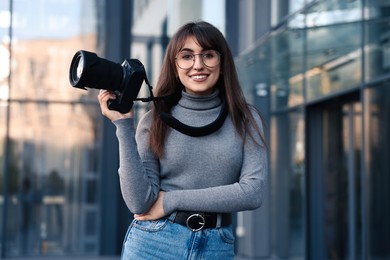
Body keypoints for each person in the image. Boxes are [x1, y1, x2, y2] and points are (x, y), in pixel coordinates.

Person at [98, 20, 268, 260]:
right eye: (186, 56)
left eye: (208, 55)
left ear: (222, 62)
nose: (198, 65)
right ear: (175, 65)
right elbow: (139, 202)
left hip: (216, 247)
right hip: (153, 244)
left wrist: (171, 199)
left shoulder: (246, 119)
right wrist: (123, 125)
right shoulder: (154, 120)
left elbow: (252, 192)